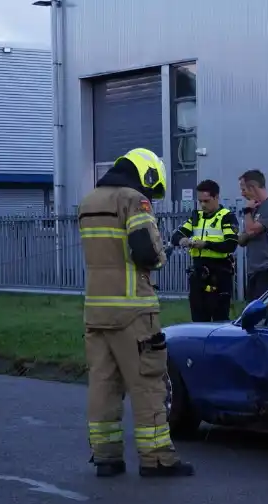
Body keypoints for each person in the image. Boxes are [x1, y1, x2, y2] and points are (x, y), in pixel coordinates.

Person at [77, 147, 194, 478]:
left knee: (103, 384)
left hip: (96, 311)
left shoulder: (89, 201)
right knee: (148, 383)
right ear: (148, 174)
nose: (151, 198)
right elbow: (147, 252)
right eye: (153, 189)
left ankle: (106, 456)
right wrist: (161, 256)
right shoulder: (133, 200)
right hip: (133, 311)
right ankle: (157, 458)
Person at [171, 179, 239, 322]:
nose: (202, 205)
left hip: (219, 272)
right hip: (198, 272)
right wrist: (183, 240)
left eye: (206, 201)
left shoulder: (226, 217)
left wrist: (206, 244)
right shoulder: (197, 216)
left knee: (220, 318)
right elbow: (176, 235)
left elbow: (231, 245)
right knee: (198, 318)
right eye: (200, 201)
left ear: (216, 197)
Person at [236, 170, 268, 300]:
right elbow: (242, 239)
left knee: (263, 314)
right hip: (254, 270)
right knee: (252, 314)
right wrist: (247, 232)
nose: (242, 194)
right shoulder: (254, 209)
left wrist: (247, 211)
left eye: (243, 189)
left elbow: (251, 231)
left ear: (253, 187)